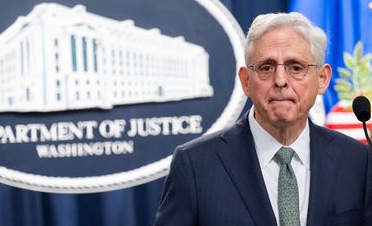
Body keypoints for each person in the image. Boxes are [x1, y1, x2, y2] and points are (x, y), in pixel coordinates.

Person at [154, 12, 372, 226]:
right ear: (246, 81)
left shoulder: (359, 161)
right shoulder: (195, 164)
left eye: (295, 67)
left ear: (322, 79)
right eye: (266, 68)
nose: (280, 80)